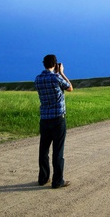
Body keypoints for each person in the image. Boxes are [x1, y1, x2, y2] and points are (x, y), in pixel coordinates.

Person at [34, 54, 73, 189]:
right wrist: (62, 72)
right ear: (55, 64)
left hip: (44, 118)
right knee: (58, 151)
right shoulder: (56, 77)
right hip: (58, 119)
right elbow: (69, 87)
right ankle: (58, 181)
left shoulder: (38, 79)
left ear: (43, 64)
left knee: (43, 150)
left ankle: (43, 178)